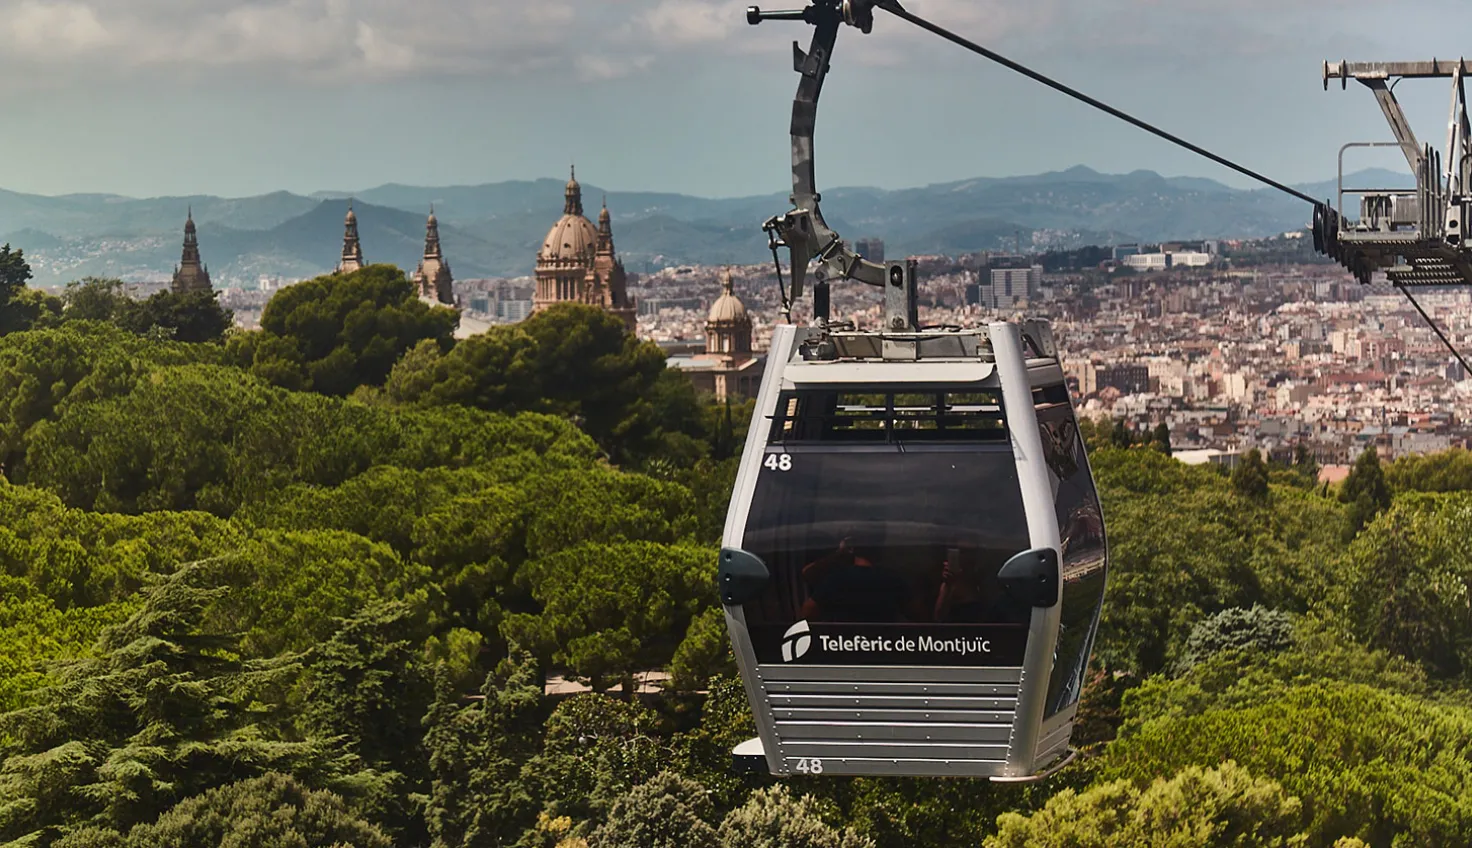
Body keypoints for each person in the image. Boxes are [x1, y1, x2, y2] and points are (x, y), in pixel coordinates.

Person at [800, 537, 915, 622]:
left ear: (852, 549)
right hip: (887, 646)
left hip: (840, 645)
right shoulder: (893, 580)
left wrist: (839, 554)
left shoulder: (837, 580)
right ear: (881, 549)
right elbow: (919, 616)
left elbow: (807, 611)